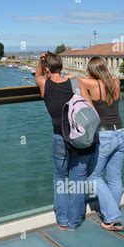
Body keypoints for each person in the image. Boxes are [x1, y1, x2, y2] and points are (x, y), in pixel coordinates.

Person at [36, 52, 93, 231]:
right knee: (78, 179)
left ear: (47, 69)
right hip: (81, 137)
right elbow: (89, 109)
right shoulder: (77, 83)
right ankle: (74, 222)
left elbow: (37, 75)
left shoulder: (44, 84)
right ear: (61, 66)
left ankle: (62, 219)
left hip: (60, 137)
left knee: (60, 177)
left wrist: (41, 61)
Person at [79, 57, 124, 231]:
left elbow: (87, 107)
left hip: (104, 135)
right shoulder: (116, 82)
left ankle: (112, 216)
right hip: (121, 133)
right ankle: (112, 214)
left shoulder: (88, 84)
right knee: (115, 178)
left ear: (91, 70)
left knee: (93, 176)